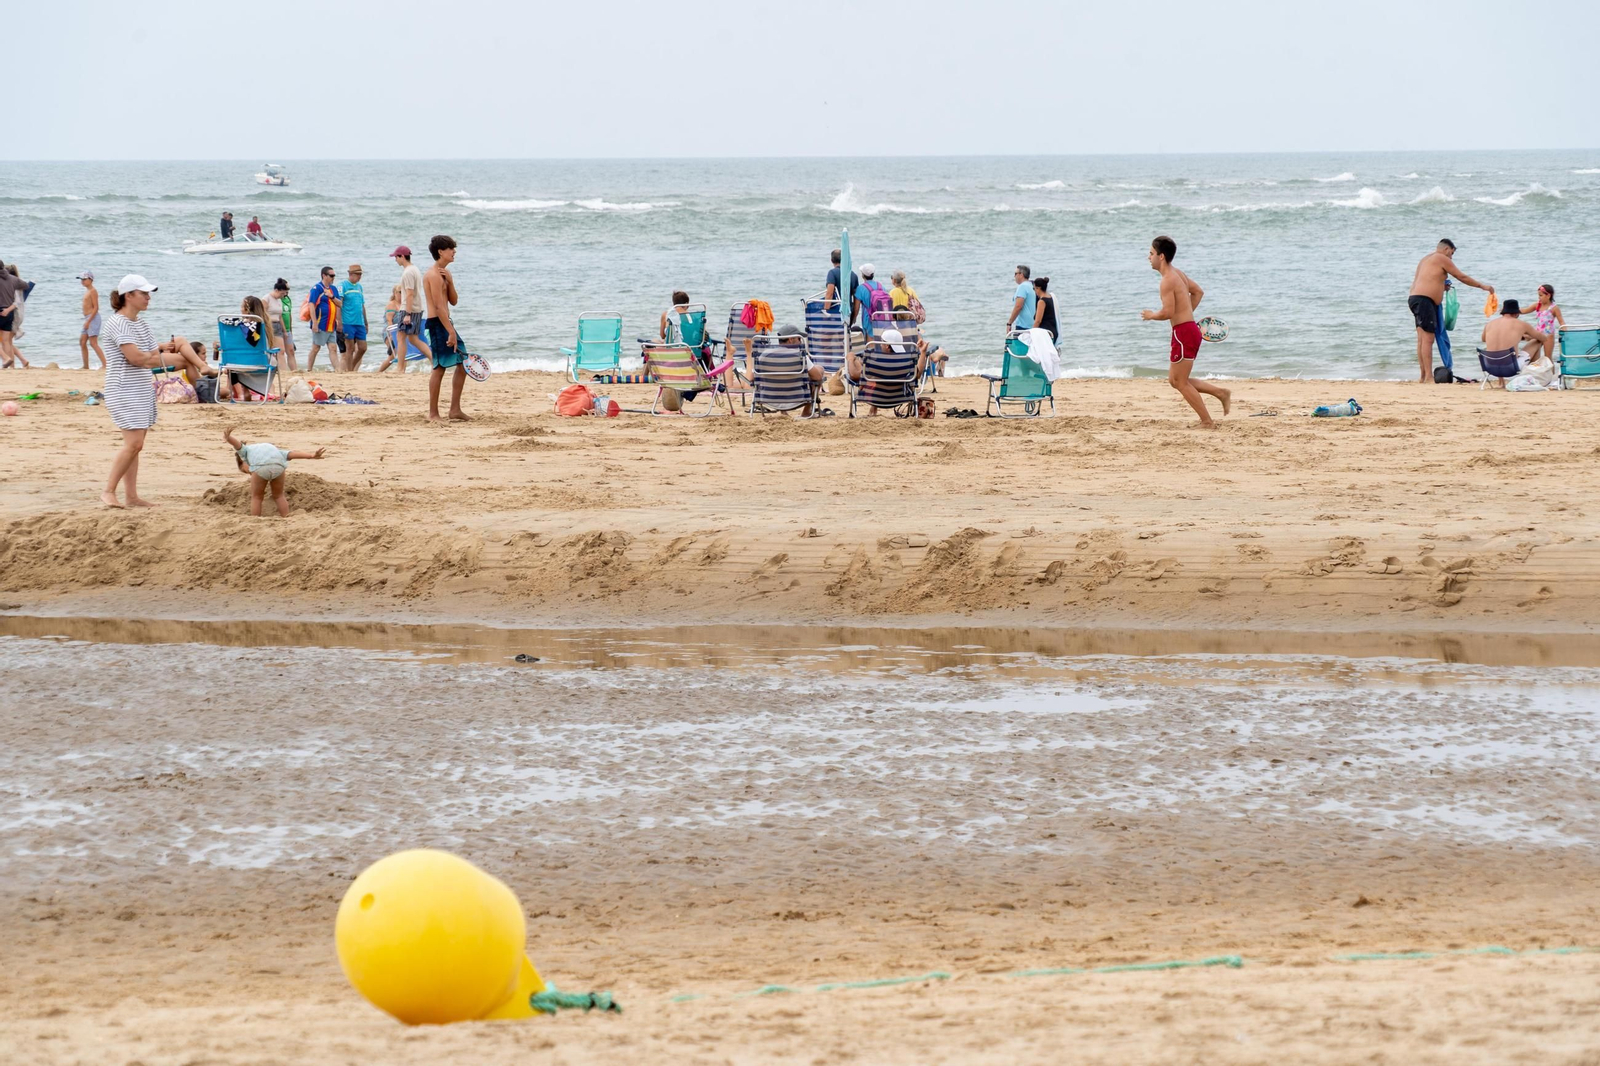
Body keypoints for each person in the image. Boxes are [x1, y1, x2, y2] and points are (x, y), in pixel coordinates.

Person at [98, 275, 196, 508]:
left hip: (141, 387)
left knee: (137, 444)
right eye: (144, 294)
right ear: (128, 296)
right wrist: (150, 357)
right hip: (123, 388)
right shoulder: (117, 323)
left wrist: (153, 357)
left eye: (149, 293)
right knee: (133, 444)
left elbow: (153, 357)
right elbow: (136, 358)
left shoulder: (141, 324)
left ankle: (131, 496)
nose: (148, 298)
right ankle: (108, 491)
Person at [1141, 235, 1230, 428]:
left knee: (1180, 382)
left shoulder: (1167, 280)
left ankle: (1207, 421)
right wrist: (1187, 315)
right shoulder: (1178, 273)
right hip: (1187, 330)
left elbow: (1167, 312)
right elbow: (1198, 292)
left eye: (1151, 253)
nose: (1148, 257)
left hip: (1183, 333)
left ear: (1161, 256)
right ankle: (1220, 393)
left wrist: (1151, 315)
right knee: (1175, 380)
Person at [1408, 239, 1493, 383]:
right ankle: (1428, 376)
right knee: (1428, 339)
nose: (1451, 257)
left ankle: (1423, 376)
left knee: (1422, 339)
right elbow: (1461, 276)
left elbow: (1425, 281)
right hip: (1424, 301)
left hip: (1415, 299)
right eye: (1452, 253)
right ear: (1447, 249)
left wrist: (1441, 287)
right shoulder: (1441, 257)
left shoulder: (1425, 259)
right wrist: (1482, 286)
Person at [222, 425, 327, 517]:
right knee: (279, 495)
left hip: (261, 467)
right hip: (279, 466)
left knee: (257, 497)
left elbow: (237, 445)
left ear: (241, 460)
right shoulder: (273, 450)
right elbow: (291, 454)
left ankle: (255, 519)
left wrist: (229, 438)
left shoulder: (245, 451)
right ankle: (286, 516)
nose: (249, 472)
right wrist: (311, 455)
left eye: (246, 471)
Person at [423, 234, 469, 422]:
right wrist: (450, 331)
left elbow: (453, 301)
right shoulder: (432, 274)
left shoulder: (443, 274)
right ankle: (433, 413)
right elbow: (439, 306)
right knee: (439, 367)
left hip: (445, 322)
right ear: (440, 252)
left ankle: (455, 410)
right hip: (437, 324)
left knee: (463, 362)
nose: (454, 252)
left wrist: (449, 281)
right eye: (451, 249)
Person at [746, 322, 826, 416]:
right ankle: (807, 411)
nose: (800, 341)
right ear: (791, 339)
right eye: (799, 338)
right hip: (797, 399)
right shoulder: (800, 355)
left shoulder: (764, 355)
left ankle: (783, 411)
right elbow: (817, 377)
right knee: (818, 370)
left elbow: (751, 378)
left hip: (769, 400)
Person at [846, 327, 927, 416]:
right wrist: (923, 353)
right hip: (901, 398)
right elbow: (918, 375)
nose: (880, 344)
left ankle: (872, 408)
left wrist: (850, 359)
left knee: (870, 377)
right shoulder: (906, 363)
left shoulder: (875, 364)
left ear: (887, 346)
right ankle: (873, 409)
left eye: (882, 342)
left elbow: (854, 375)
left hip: (876, 398)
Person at [1480, 299, 1550, 387]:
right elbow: (1543, 338)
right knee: (1537, 342)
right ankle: (1532, 377)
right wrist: (1529, 336)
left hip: (1490, 367)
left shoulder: (1490, 324)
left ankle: (1501, 382)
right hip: (1511, 368)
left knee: (1499, 351)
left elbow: (1483, 339)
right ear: (1517, 313)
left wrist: (1521, 337)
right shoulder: (1521, 324)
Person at [392, 245, 432, 367]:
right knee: (413, 339)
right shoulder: (415, 269)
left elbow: (409, 294)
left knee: (400, 337)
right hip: (417, 308)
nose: (395, 260)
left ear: (402, 256)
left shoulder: (408, 272)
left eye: (396, 257)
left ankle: (400, 368)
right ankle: (434, 361)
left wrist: (407, 314)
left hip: (408, 308)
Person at [305, 267, 342, 372]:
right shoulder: (317, 288)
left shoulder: (333, 289)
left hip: (331, 324)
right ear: (324, 276)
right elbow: (311, 305)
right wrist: (314, 323)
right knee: (316, 347)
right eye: (331, 275)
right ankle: (309, 369)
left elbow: (340, 304)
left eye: (334, 275)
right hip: (321, 323)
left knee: (333, 348)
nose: (333, 278)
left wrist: (332, 296)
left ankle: (338, 369)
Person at [1522, 284, 1564, 364]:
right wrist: (1511, 310)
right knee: (1534, 357)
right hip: (1538, 334)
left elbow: (1561, 321)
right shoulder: (1537, 305)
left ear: (1548, 295)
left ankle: (1550, 375)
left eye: (1540, 295)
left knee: (1547, 358)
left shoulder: (1554, 308)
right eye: (1538, 295)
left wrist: (1564, 330)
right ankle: (1537, 372)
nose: (1539, 297)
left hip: (1548, 336)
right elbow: (1524, 311)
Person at [340, 264, 369, 371]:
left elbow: (362, 305)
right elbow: (339, 304)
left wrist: (366, 322)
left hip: (359, 322)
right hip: (347, 321)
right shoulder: (343, 285)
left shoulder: (359, 287)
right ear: (351, 274)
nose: (360, 277)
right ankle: (349, 370)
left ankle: (350, 367)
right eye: (358, 275)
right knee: (350, 348)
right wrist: (339, 322)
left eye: (360, 274)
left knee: (363, 348)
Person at [265, 278, 297, 371]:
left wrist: (286, 330)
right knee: (279, 351)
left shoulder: (279, 300)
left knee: (284, 351)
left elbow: (280, 316)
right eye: (282, 293)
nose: (284, 295)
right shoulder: (267, 298)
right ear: (276, 290)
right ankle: (282, 371)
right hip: (270, 325)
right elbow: (262, 313)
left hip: (279, 325)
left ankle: (287, 370)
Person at [78, 271, 106, 369]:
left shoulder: (93, 291)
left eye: (84, 279)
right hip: (88, 319)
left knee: (93, 343)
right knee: (82, 341)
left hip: (92, 318)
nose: (82, 281)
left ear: (90, 280)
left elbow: (96, 308)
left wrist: (89, 321)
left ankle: (105, 365)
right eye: (81, 279)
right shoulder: (88, 291)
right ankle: (85, 366)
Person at [823, 248, 858, 323]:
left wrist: (826, 311)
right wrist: (854, 316)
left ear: (832, 260)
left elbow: (830, 293)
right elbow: (856, 299)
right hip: (848, 312)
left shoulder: (832, 273)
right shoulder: (853, 275)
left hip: (835, 311)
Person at [376, 284, 404, 372]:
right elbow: (389, 320)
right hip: (389, 331)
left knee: (404, 352)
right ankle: (379, 372)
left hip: (400, 331)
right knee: (393, 354)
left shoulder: (403, 304)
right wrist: (392, 334)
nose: (402, 294)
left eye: (404, 292)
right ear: (395, 293)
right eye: (400, 292)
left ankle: (402, 371)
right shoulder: (391, 305)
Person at [855, 264, 888, 338]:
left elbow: (856, 308)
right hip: (882, 318)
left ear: (863, 275)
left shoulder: (861, 288)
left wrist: (853, 319)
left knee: (870, 344)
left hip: (868, 318)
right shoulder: (880, 286)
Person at [1006, 265, 1036, 334]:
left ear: (1021, 275)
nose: (1014, 276)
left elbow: (1018, 306)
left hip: (1024, 326)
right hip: (1034, 324)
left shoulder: (1022, 286)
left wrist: (1009, 323)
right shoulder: (1033, 285)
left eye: (1015, 274)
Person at [1032, 276, 1059, 341]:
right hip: (1053, 330)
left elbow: (1038, 321)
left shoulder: (1042, 301)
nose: (1034, 291)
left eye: (1034, 288)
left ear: (1038, 288)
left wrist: (1032, 333)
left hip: (1045, 332)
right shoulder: (1050, 297)